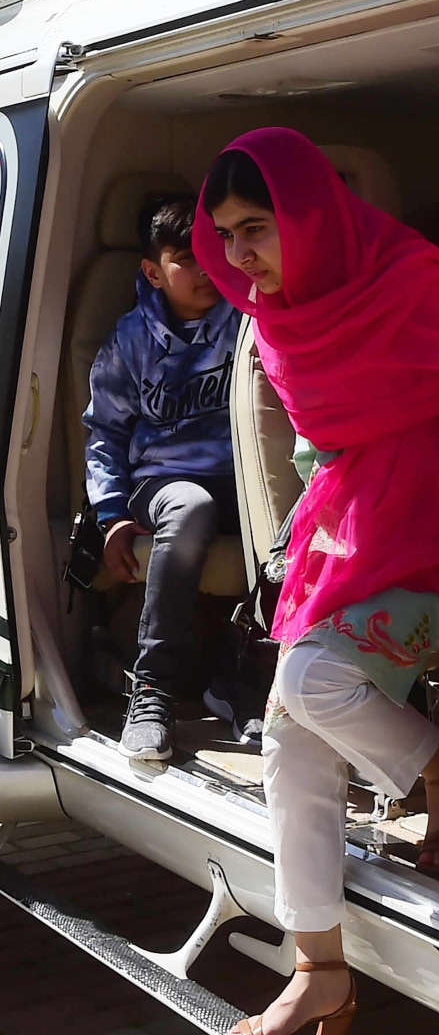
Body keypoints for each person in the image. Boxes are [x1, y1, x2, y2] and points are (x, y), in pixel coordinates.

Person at [193, 127, 439, 1035]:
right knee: (286, 720)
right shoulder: (278, 321)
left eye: (256, 227)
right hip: (360, 543)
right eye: (225, 234)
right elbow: (323, 453)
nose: (239, 255)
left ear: (309, 216)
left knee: (308, 685)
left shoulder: (415, 280)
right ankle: (317, 969)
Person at [83, 195, 245, 761]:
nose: (206, 271)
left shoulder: (249, 320)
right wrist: (111, 513)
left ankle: (243, 680)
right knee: (191, 508)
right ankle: (151, 691)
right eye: (187, 260)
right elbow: (104, 431)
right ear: (154, 271)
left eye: (212, 255)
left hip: (246, 477)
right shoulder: (131, 339)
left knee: (309, 509)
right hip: (165, 478)